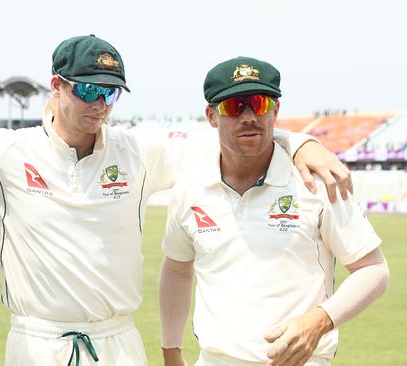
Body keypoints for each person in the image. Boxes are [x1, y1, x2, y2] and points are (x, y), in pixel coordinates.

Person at [0, 36, 352, 365]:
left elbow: (233, 129)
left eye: (110, 92)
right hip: (35, 345)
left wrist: (299, 141)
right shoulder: (3, 152)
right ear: (56, 85)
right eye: (88, 91)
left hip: (117, 343)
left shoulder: (138, 151)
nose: (100, 105)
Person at [158, 56, 389, 366]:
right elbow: (176, 269)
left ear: (275, 111)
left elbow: (374, 269)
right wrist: (171, 352)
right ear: (212, 117)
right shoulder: (191, 188)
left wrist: (319, 321)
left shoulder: (318, 183)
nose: (249, 116)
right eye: (233, 107)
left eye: (259, 103)